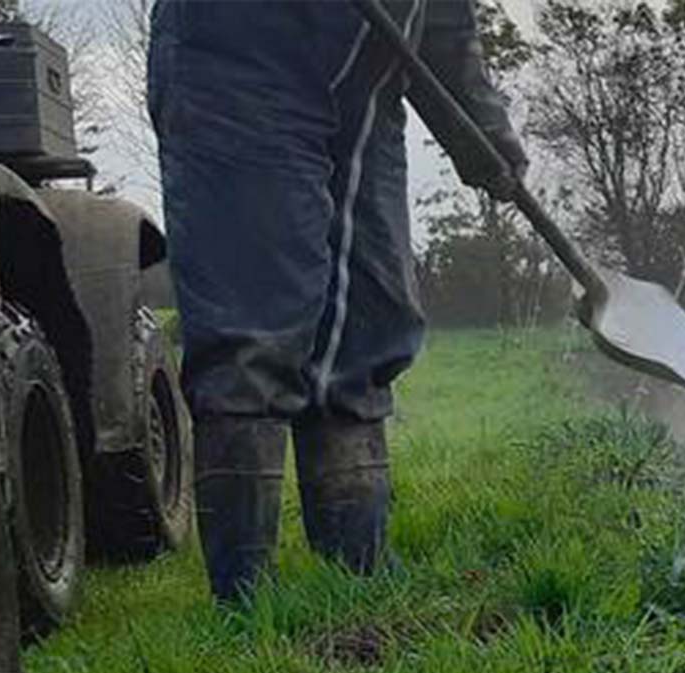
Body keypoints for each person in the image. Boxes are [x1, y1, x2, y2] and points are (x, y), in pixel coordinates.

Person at [147, 0, 527, 603]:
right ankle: (247, 603)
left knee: (370, 314)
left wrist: (479, 128)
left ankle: (358, 574)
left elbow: (444, 14)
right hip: (239, 54)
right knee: (253, 323)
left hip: (371, 77)